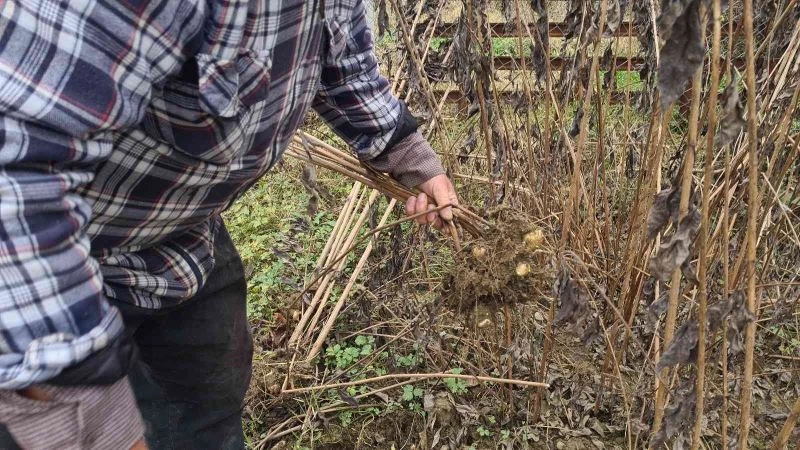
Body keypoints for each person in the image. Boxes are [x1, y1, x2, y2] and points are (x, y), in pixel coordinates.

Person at [0, 0, 457, 448]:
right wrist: (88, 419)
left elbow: (345, 64)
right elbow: (15, 174)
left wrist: (410, 157)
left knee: (207, 421)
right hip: (52, 275)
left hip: (183, 243)